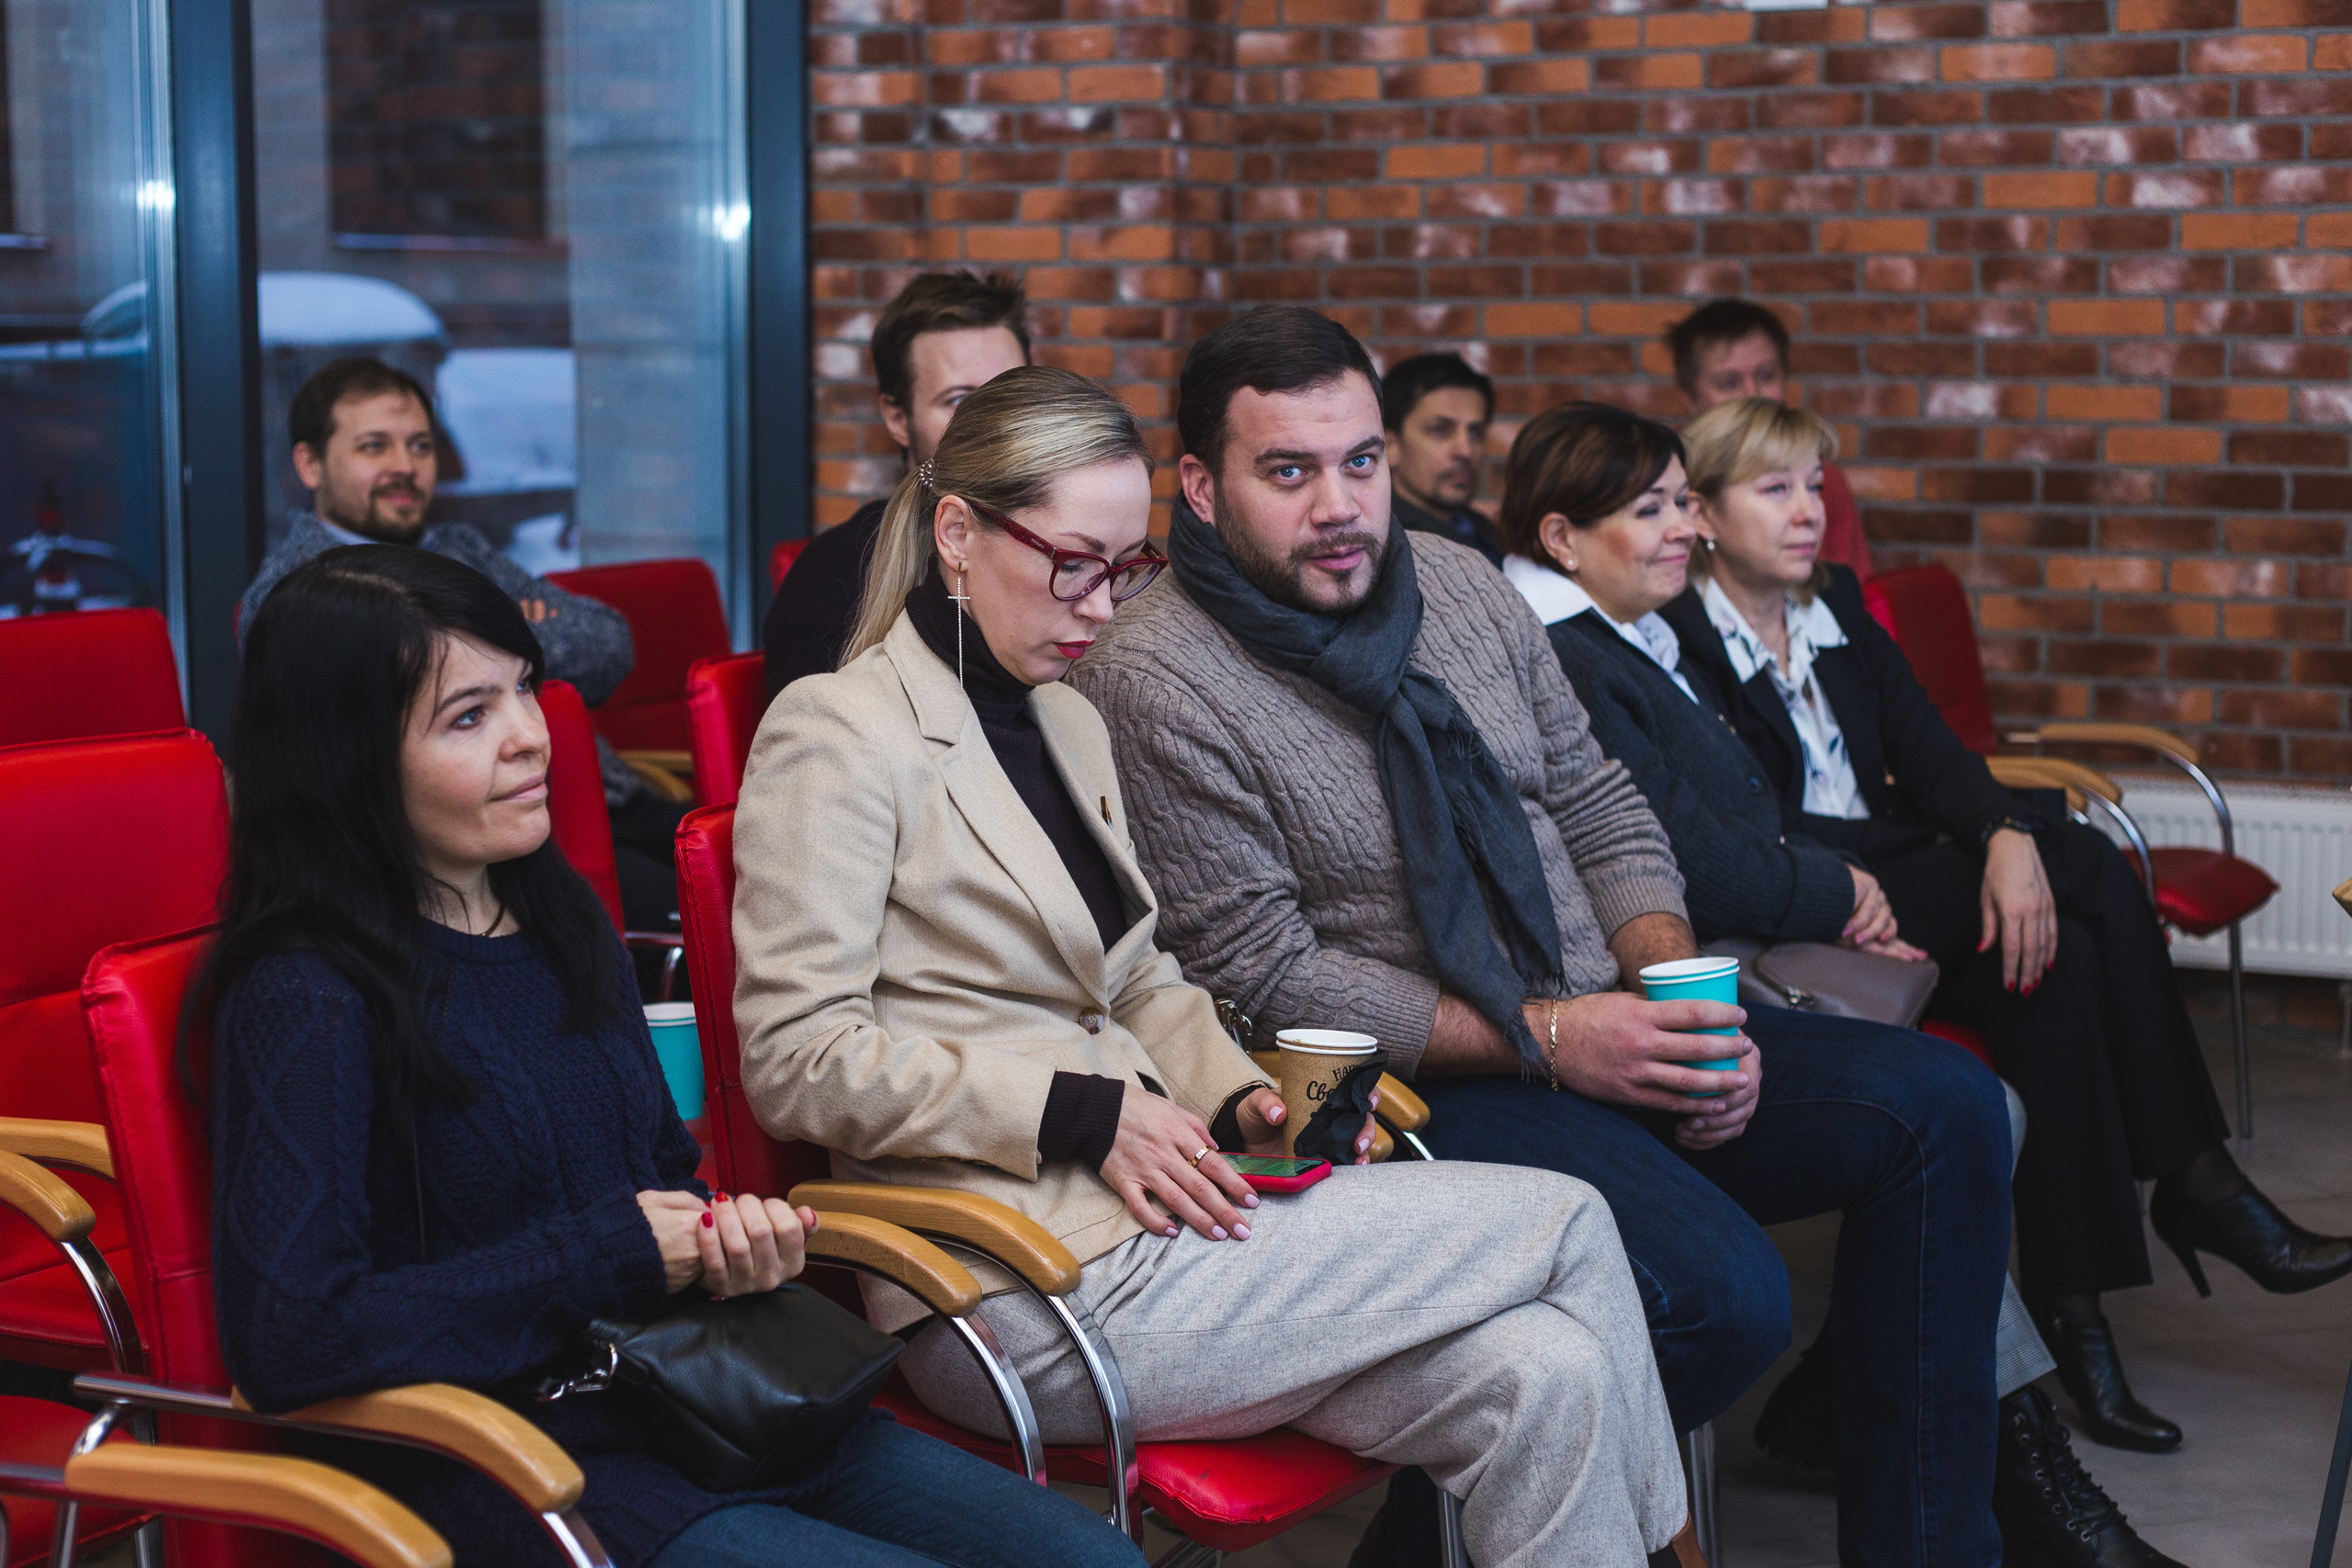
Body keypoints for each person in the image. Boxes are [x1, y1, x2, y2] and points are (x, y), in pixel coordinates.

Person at [1068, 305, 2015, 1568]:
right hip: (1423, 1086)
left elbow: (1595, 798)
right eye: (1288, 472)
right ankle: (1446, 1534)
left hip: (1602, 1016)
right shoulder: (1154, 673)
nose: (1340, 506)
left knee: (1947, 1106)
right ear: (1200, 485)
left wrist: (1678, 1001)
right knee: (1720, 1299)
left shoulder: (1458, 582)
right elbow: (1264, 976)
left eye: (1360, 461)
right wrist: (1557, 1038)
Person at [731, 365, 1693, 1568]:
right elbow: (796, 1058)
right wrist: (1080, 1112)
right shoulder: (837, 731)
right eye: (1071, 563)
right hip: (1012, 1279)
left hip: (1174, 1215)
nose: (1100, 605)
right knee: (1569, 1218)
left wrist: (1243, 1098)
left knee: (1545, 1374)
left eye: (1124, 567)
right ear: (959, 533)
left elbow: (1137, 980)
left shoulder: (1064, 715)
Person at [206, 546, 1143, 1568]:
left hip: (706, 1397)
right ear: (346, 760)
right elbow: (294, 1337)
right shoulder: (303, 995)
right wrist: (612, 1253)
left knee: (1098, 1560)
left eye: (524, 690)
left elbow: (657, 1182)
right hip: (516, 1463)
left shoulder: (558, 922)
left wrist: (726, 1243)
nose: (530, 736)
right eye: (468, 717)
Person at [1502, 400, 2191, 1568]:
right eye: (1657, 509)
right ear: (1563, 538)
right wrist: (1836, 891)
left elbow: (1743, 814)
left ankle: (1957, 1423)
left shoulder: (1641, 632)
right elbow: (1691, 848)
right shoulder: (1576, 648)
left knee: (2044, 959)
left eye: (1683, 503)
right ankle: (2020, 1447)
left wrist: (1899, 861)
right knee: (1976, 1094)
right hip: (1686, 966)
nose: (1683, 531)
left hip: (1740, 932)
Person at [1663, 397, 2352, 1459]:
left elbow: (1931, 753)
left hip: (1900, 873)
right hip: (1810, 899)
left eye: (1813, 486)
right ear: (1704, 514)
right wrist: (1997, 841)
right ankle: (2198, 1182)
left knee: (2058, 962)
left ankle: (2078, 1319)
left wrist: (1996, 831)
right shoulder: (1674, 637)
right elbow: (1753, 827)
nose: (1807, 511)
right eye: (1773, 489)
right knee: (2084, 862)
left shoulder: (1832, 601)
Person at [237, 356, 684, 939]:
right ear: (310, 464)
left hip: (601, 794)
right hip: (475, 841)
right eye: (374, 447)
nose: (405, 467)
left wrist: (472, 648)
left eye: (420, 446)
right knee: (704, 910)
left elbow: (608, 645)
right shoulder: (294, 593)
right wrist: (513, 627)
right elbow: (353, 750)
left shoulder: (458, 548)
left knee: (751, 865)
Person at [763, 270, 1032, 695]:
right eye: (959, 400)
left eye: (1010, 395)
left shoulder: (1061, 552)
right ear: (897, 418)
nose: (992, 423)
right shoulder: (832, 582)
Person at [1665, 299, 1872, 579]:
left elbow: (1852, 587)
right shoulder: (1663, 484)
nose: (1752, 394)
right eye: (1729, 383)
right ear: (1689, 398)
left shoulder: (1821, 477)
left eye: (1766, 376)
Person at [1380, 352, 1502, 566]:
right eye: (1439, 430)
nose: (1465, 451)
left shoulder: (1485, 531)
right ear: (1389, 446)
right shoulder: (1381, 546)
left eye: (1475, 433)